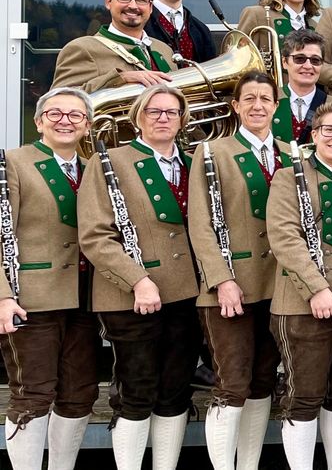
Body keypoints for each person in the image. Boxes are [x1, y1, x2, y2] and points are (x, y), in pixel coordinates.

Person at [78, 85, 201, 469]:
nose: (163, 118)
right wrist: (137, 279)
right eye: (154, 111)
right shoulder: (109, 161)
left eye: (171, 112)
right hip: (131, 295)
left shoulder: (196, 161)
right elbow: (95, 235)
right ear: (137, 118)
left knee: (175, 392)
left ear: (182, 120)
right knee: (137, 390)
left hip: (188, 294)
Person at [186, 72, 288, 470]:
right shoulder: (213, 152)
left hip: (280, 287)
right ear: (236, 106)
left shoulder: (291, 152)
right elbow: (201, 223)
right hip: (233, 287)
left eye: (265, 98)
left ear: (276, 106)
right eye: (249, 99)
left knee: (263, 382)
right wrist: (221, 280)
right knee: (232, 384)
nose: (258, 105)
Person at [267, 98, 332, 470]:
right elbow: (284, 237)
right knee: (304, 396)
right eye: (329, 130)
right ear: (314, 134)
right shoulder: (288, 176)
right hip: (303, 303)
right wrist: (316, 287)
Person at [0, 88, 98, 470]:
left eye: (75, 115)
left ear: (87, 125)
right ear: (39, 121)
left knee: (79, 394)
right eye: (55, 113)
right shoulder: (14, 162)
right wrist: (3, 295)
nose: (65, 121)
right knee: (33, 394)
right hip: (32, 298)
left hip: (85, 299)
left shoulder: (92, 169)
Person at [52, 0, 175, 92]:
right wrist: (120, 79)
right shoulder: (82, 49)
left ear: (150, 7)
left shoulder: (164, 50)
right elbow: (57, 100)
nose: (133, 6)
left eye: (141, 0)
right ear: (108, 2)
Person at [272, 29, 331, 145]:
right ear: (284, 62)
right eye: (299, 59)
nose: (308, 66)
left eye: (315, 60)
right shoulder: (267, 101)